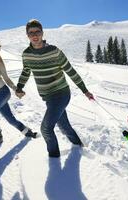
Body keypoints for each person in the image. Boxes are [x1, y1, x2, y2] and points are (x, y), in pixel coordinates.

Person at [15, 19, 94, 157]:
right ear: (27, 35)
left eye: (37, 32)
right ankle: (79, 146)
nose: (34, 35)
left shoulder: (54, 51)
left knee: (45, 128)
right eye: (31, 33)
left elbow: (70, 71)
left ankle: (54, 158)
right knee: (64, 126)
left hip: (62, 94)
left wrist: (85, 90)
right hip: (48, 97)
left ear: (42, 33)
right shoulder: (26, 54)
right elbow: (26, 71)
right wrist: (19, 87)